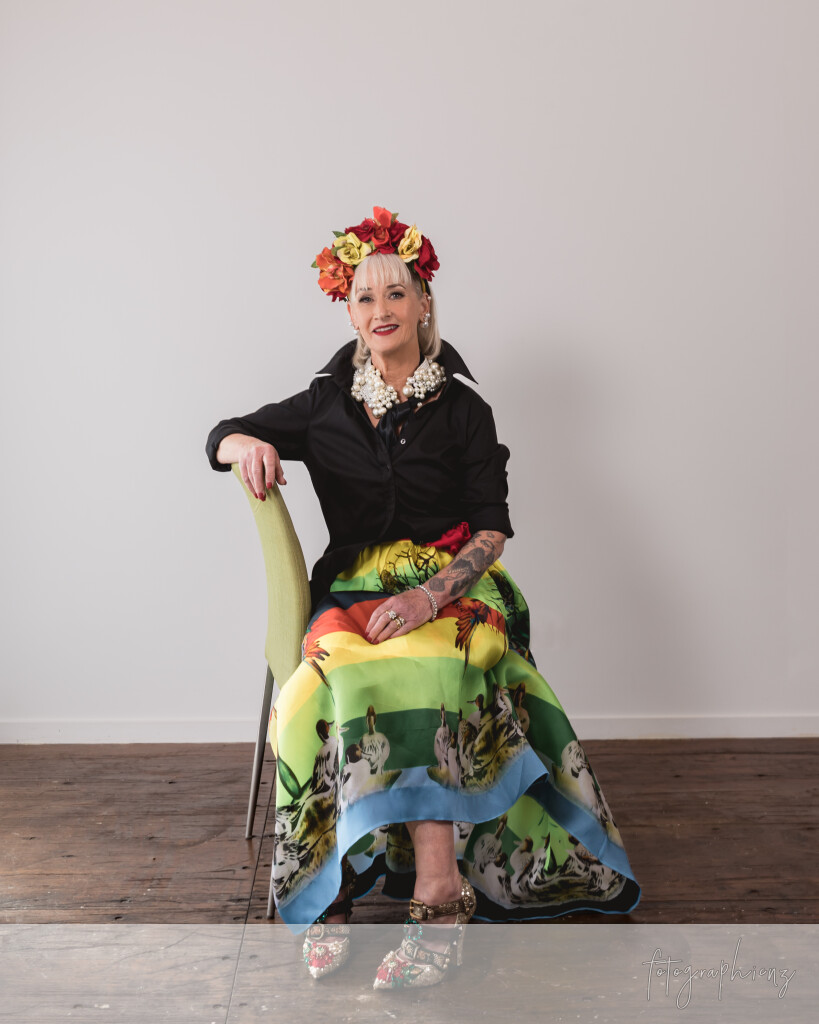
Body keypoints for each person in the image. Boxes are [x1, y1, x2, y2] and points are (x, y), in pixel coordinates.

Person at [206, 206, 641, 990]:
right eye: (364, 298)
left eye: (395, 294)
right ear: (349, 313)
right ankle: (333, 892)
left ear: (423, 304)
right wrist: (251, 444)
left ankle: (439, 898)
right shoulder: (324, 404)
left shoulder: (465, 409)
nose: (381, 310)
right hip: (351, 586)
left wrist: (427, 599)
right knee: (315, 688)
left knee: (429, 668)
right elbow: (221, 433)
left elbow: (491, 530)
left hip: (454, 585)